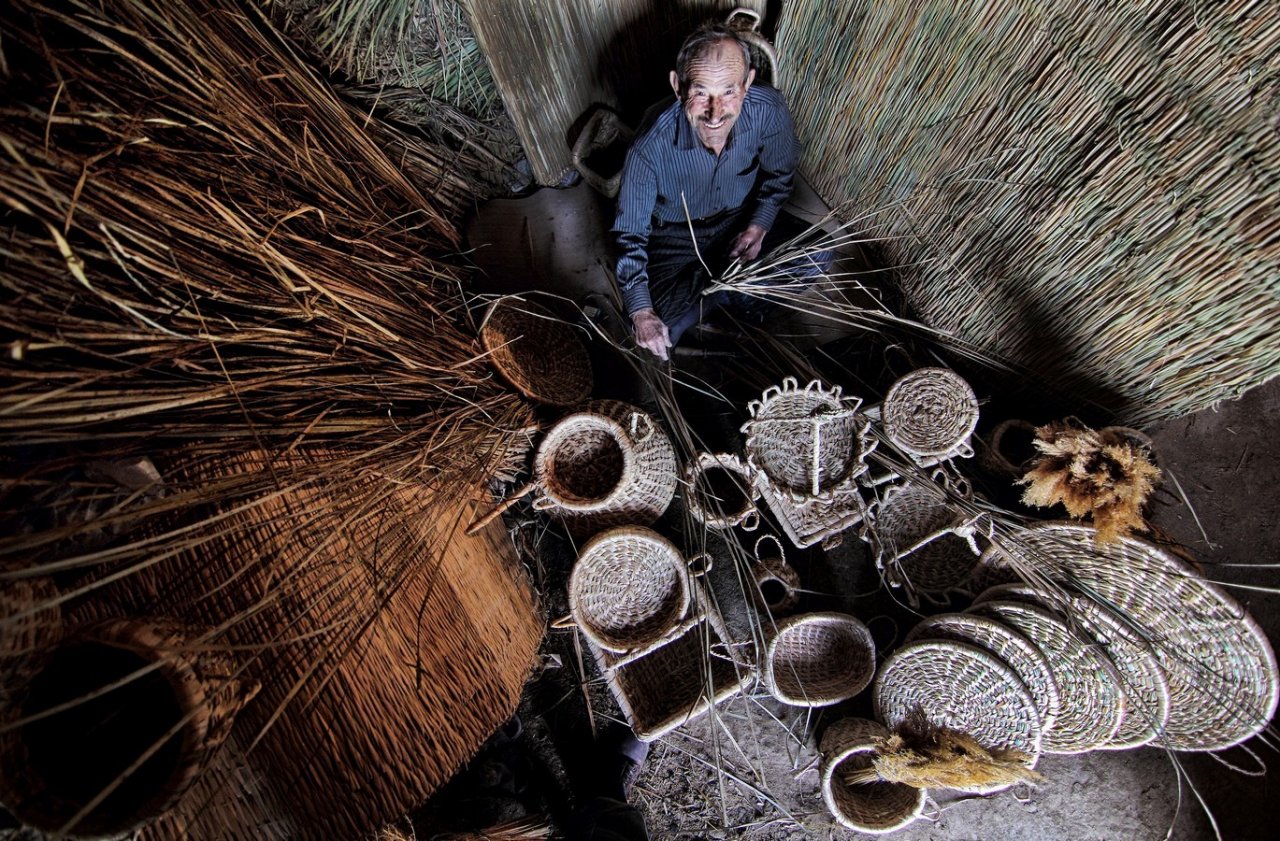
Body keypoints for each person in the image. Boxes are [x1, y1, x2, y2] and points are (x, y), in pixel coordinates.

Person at [611, 22, 815, 361]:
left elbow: (780, 176)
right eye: (702, 92)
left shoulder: (768, 109)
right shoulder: (650, 146)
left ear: (748, 83)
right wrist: (642, 314)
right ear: (678, 86)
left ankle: (721, 292)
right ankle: (731, 291)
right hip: (675, 237)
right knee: (652, 321)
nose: (715, 113)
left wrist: (760, 224)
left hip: (739, 219)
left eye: (729, 92)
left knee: (816, 255)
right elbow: (630, 236)